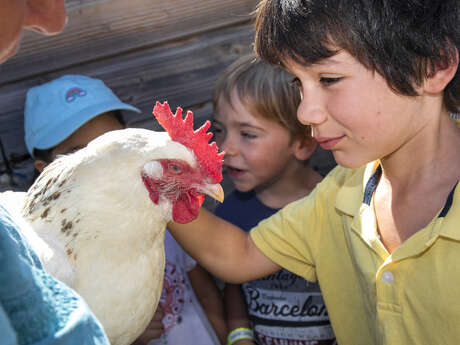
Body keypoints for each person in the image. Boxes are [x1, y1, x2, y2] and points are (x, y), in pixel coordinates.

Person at [165, 1, 460, 345]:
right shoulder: (339, 193)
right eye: (299, 84)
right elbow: (240, 255)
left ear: (432, 66)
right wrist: (155, 185)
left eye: (329, 79)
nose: (305, 112)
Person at [25, 74, 227, 345]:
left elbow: (210, 287)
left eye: (109, 142)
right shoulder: (45, 258)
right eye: (83, 152)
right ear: (47, 169)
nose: (103, 155)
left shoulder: (162, 226)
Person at [0, 1, 111, 344]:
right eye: (80, 154)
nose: (54, 20)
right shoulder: (41, 240)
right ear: (43, 170)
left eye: (112, 147)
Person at [212, 54, 335, 345]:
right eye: (220, 130)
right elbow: (234, 288)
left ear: (303, 142)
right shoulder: (229, 214)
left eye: (247, 134)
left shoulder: (336, 207)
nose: (225, 148)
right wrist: (239, 336)